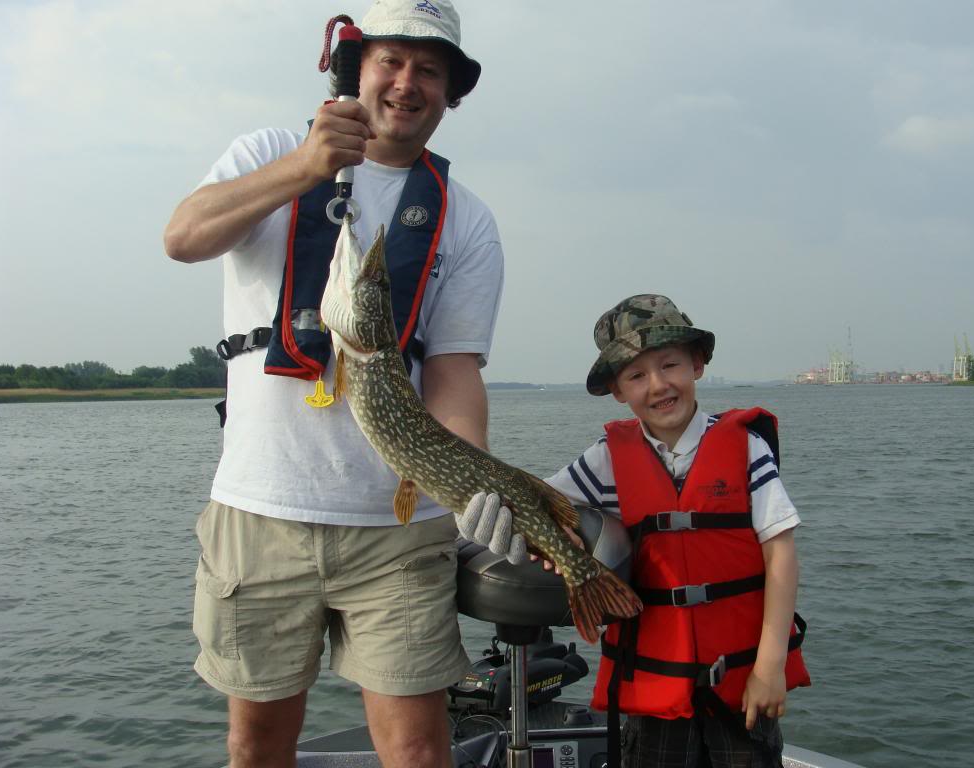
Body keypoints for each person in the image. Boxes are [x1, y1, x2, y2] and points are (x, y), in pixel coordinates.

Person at [163, 2, 502, 766]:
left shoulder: (468, 221)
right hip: (261, 510)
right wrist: (303, 170)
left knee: (418, 750)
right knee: (256, 745)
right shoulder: (269, 151)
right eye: (392, 61)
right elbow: (182, 237)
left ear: (449, 93)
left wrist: (474, 482)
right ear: (357, 68)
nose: (407, 83)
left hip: (398, 531)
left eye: (429, 71)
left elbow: (452, 371)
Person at [459, 294, 810, 768]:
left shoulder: (747, 448)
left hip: (744, 685)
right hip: (654, 692)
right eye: (637, 375)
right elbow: (534, 501)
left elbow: (781, 553)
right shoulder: (604, 461)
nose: (659, 385)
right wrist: (488, 519)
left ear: (698, 364)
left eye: (670, 365)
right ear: (618, 391)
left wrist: (770, 665)